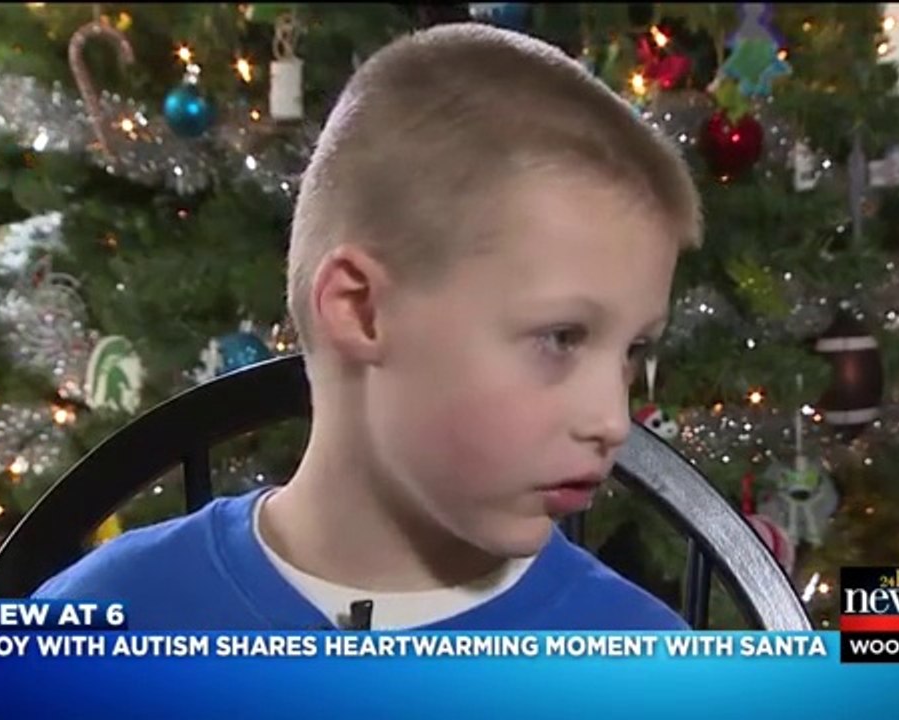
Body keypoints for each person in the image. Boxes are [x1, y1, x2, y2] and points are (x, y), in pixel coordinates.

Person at [34, 22, 702, 631]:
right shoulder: (92, 629)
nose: (612, 419)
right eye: (560, 337)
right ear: (361, 309)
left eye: (634, 349)